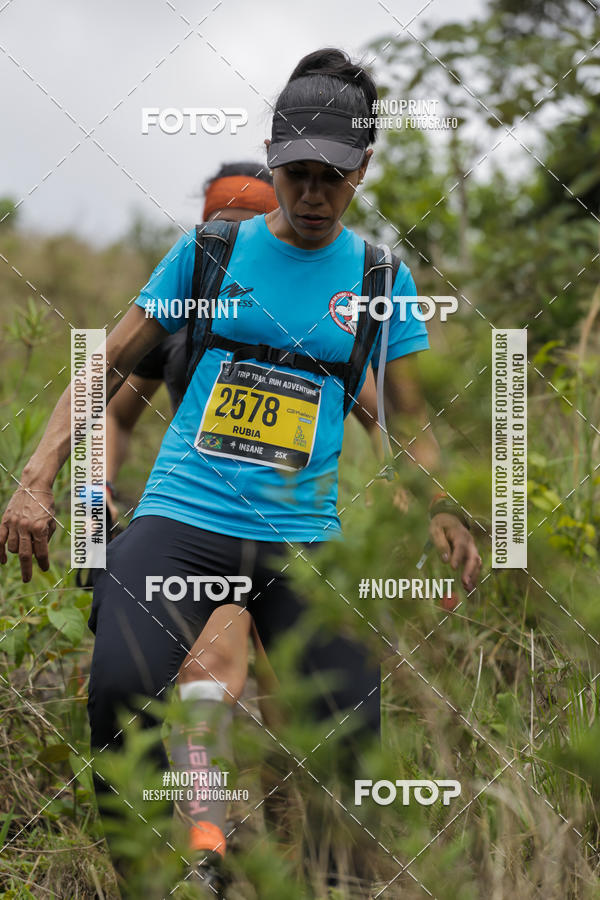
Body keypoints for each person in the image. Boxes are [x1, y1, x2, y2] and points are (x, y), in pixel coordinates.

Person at [0, 48, 482, 898]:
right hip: (183, 518)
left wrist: (444, 505)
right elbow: (105, 368)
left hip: (305, 539)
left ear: (363, 169)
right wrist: (38, 479)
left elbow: (413, 422)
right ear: (271, 157)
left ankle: (332, 885)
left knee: (353, 734)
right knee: (120, 681)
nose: (311, 192)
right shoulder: (211, 253)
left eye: (331, 175)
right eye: (295, 171)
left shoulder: (380, 278)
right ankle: (153, 874)